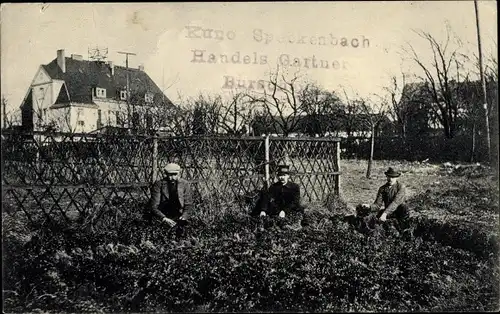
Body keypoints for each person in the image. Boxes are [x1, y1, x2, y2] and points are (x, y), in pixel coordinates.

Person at [354, 167, 410, 233]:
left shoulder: (401, 187)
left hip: (399, 212)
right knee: (373, 218)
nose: (390, 179)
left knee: (404, 207)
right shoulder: (382, 189)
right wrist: (369, 206)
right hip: (389, 212)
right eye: (389, 177)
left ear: (396, 178)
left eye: (393, 177)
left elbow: (395, 203)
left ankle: (403, 230)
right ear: (386, 176)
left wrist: (385, 214)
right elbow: (377, 205)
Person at [147, 163, 194, 236]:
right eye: (170, 175)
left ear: (179, 173)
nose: (172, 178)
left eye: (174, 174)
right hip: (163, 214)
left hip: (179, 215)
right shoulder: (159, 184)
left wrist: (184, 216)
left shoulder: (184, 184)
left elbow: (188, 204)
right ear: (166, 174)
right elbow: (154, 206)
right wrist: (163, 218)